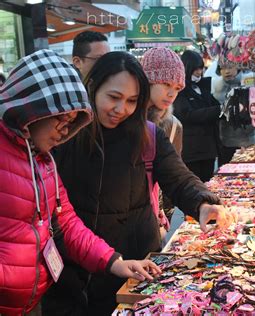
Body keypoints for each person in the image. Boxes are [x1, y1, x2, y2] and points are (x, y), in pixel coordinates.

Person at [41, 51, 234, 316]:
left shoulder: (149, 135)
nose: (122, 109)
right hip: (74, 272)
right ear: (93, 88)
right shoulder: (64, 137)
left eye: (132, 101)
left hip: (137, 265)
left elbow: (178, 178)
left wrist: (202, 202)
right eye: (114, 97)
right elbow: (53, 210)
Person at [0, 49, 158, 316]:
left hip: (28, 302)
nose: (65, 130)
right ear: (32, 112)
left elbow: (67, 224)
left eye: (72, 122)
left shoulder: (42, 160)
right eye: (60, 119)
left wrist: (114, 261)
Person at [141, 47, 185, 233]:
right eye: (166, 84)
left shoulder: (173, 126)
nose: (171, 93)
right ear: (147, 81)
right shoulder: (125, 121)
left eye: (177, 88)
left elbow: (172, 176)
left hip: (153, 223)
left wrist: (164, 215)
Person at [174, 50, 221, 182]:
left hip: (209, 147)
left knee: (208, 183)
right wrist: (218, 110)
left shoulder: (203, 86)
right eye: (196, 70)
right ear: (187, 69)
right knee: (194, 184)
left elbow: (216, 106)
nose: (199, 73)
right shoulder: (179, 90)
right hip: (191, 148)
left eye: (201, 69)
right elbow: (187, 115)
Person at [212, 59, 255, 166]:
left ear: (238, 67)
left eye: (230, 67)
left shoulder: (250, 82)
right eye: (223, 68)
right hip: (224, 142)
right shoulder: (215, 86)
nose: (227, 71)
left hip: (247, 140)